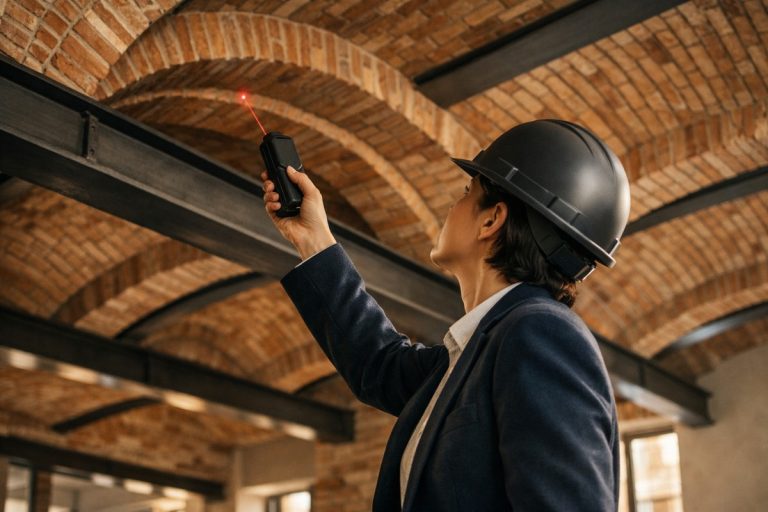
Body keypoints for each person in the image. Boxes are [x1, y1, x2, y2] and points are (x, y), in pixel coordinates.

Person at [261, 119, 630, 511]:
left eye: (465, 192)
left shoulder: (540, 334)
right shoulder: (473, 353)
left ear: (491, 220)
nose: (453, 205)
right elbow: (379, 364)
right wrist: (313, 238)